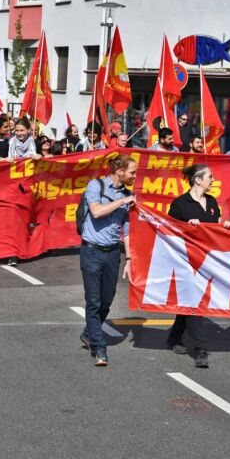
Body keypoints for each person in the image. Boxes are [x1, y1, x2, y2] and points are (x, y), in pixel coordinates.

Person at [166, 164, 230, 368]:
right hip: (185, 261)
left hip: (206, 261)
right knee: (194, 303)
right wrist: (186, 227)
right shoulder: (180, 204)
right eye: (210, 177)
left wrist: (226, 224)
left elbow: (214, 227)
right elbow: (168, 232)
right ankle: (200, 348)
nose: (213, 180)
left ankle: (174, 337)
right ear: (198, 179)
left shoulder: (212, 201)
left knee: (190, 302)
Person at [79, 154, 137, 367]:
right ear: (120, 171)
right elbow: (96, 211)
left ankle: (88, 332)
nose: (135, 176)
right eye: (132, 172)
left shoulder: (128, 195)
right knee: (93, 301)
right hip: (92, 252)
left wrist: (129, 258)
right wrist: (122, 201)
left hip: (112, 254)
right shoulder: (96, 186)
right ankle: (99, 346)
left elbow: (128, 232)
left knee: (107, 299)